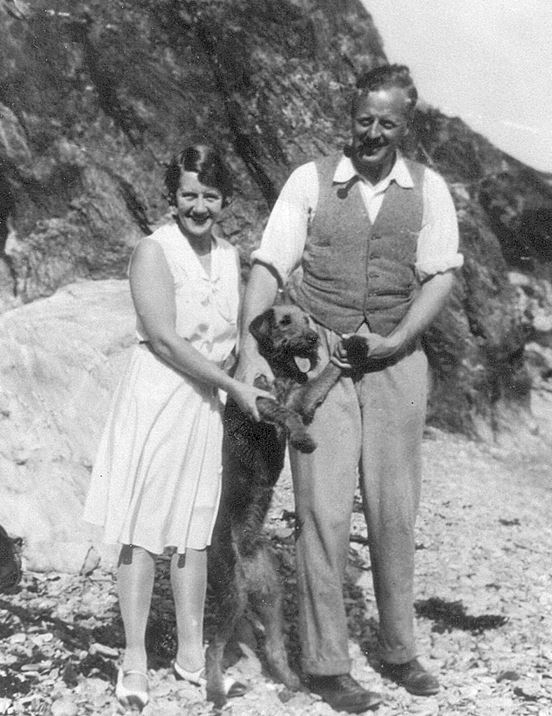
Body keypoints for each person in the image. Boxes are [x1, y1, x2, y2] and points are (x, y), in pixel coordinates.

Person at [236, 64, 463, 714]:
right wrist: (253, 349)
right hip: (318, 364)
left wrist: (397, 340)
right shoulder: (309, 182)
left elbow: (440, 276)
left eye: (387, 123)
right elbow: (269, 265)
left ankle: (399, 650)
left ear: (404, 125)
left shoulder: (430, 189)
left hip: (397, 361)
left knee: (394, 513)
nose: (372, 133)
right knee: (323, 514)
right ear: (350, 117)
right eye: (364, 119)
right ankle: (327, 664)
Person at [83, 144, 271, 711]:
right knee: (143, 530)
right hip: (159, 396)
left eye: (210, 196)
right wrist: (233, 385)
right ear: (171, 197)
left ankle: (191, 656)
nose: (199, 206)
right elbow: (164, 338)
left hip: (204, 403)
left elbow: (239, 334)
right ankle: (134, 659)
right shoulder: (153, 251)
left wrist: (247, 373)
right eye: (188, 194)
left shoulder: (232, 256)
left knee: (192, 528)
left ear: (224, 201)